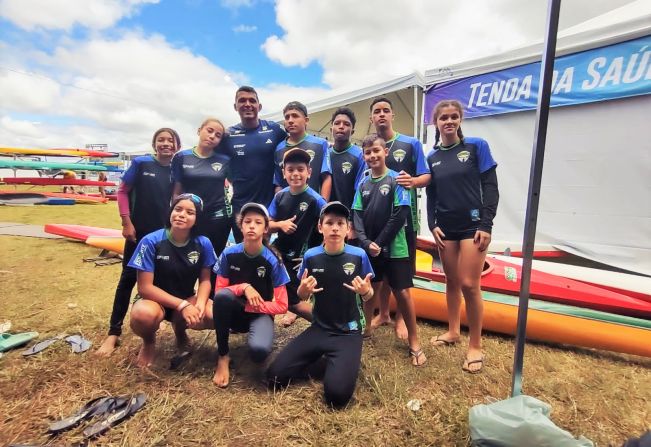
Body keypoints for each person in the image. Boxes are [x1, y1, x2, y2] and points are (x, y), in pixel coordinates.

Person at [267, 202, 374, 408]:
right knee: (274, 377)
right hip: (320, 328)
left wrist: (365, 292)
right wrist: (303, 291)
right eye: (329, 223)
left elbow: (369, 295)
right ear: (320, 227)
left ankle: (342, 363)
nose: (334, 228)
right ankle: (331, 363)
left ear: (347, 229)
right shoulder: (311, 256)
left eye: (340, 223)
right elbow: (301, 294)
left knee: (336, 398)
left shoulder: (359, 256)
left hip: (348, 332)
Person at [426, 99, 499, 374]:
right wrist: (432, 224)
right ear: (436, 122)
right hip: (446, 228)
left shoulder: (476, 146)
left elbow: (490, 187)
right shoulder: (432, 157)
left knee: (470, 283)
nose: (449, 121)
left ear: (460, 119)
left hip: (473, 227)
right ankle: (453, 331)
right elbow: (431, 195)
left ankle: (476, 345)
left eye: (454, 116)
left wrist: (486, 223)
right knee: (452, 281)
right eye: (443, 117)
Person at [95, 128, 180, 357]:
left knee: (160, 280)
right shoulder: (142, 164)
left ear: (177, 146)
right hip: (138, 233)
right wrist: (126, 222)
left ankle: (159, 321)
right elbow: (122, 192)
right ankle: (113, 333)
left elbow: (175, 200)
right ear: (155, 144)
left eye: (170, 140)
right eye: (161, 140)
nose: (165, 143)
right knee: (127, 279)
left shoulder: (176, 169)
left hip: (163, 235)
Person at [352, 134, 426, 367]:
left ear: (386, 152)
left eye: (376, 150)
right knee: (368, 288)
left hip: (395, 248)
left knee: (402, 293)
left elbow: (401, 214)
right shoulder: (363, 182)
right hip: (370, 248)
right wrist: (365, 243)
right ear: (364, 156)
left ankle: (414, 341)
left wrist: (380, 243)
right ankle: (365, 329)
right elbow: (356, 215)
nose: (372, 155)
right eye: (368, 152)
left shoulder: (398, 179)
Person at [128, 193, 217, 368]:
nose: (182, 214)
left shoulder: (203, 243)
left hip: (185, 299)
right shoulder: (151, 241)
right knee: (143, 316)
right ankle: (149, 342)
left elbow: (205, 280)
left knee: (214, 314)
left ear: (197, 219)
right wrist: (182, 305)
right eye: (178, 209)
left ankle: (180, 331)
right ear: (170, 212)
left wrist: (199, 303)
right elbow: (144, 288)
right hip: (153, 301)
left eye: (190, 212)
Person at [368, 97, 431, 340]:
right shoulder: (371, 147)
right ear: (371, 118)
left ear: (393, 115)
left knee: (402, 274)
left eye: (386, 111)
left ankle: (401, 320)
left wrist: (413, 182)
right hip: (377, 222)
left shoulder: (410, 143)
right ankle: (383, 313)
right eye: (377, 112)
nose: (381, 114)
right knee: (381, 273)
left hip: (404, 220)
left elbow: (426, 175)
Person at [212, 203, 290, 387]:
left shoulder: (273, 260)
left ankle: (258, 334)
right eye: (247, 222)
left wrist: (250, 306)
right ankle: (223, 356)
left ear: (265, 229)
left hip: (259, 314)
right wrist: (244, 287)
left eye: (258, 222)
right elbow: (218, 293)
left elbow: (282, 305)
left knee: (259, 352)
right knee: (222, 298)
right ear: (241, 226)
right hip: (234, 310)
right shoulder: (229, 254)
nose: (252, 226)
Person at [268, 148, 327, 326]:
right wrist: (280, 225)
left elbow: (331, 230)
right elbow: (266, 226)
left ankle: (326, 327)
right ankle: (263, 324)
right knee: (269, 288)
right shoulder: (279, 197)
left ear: (309, 172)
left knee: (294, 302)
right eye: (290, 169)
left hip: (300, 260)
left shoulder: (316, 200)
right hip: (279, 254)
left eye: (300, 169)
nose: (295, 174)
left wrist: (313, 257)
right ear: (283, 173)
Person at [220, 86, 287, 242]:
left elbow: (295, 144)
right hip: (240, 204)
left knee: (263, 252)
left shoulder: (274, 130)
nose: (247, 104)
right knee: (243, 252)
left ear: (259, 106)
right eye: (242, 100)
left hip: (268, 204)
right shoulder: (228, 135)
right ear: (235, 106)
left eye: (252, 100)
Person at [172, 118, 231, 258]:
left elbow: (238, 184)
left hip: (218, 218)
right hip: (190, 217)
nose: (212, 136)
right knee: (188, 260)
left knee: (214, 261)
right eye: (209, 131)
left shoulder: (225, 160)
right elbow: (176, 191)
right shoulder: (181, 157)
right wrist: (175, 213)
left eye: (218, 135)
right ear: (199, 130)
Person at [273, 101, 331, 200]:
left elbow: (326, 177)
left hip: (313, 207)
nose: (290, 120)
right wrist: (281, 206)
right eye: (287, 117)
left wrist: (323, 209)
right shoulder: (279, 148)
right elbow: (278, 183)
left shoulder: (321, 144)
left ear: (306, 120)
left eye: (295, 116)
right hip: (288, 209)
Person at [328, 107, 367, 246]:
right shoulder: (325, 154)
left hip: (349, 223)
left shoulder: (360, 156)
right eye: (337, 123)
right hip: (326, 221)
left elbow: (360, 193)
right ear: (331, 128)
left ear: (353, 131)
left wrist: (353, 223)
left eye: (346, 124)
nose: (341, 127)